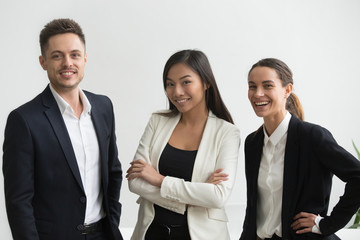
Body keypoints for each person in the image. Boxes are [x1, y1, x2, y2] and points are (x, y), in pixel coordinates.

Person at [2, 18, 123, 240]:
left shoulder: (103, 107)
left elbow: (113, 172)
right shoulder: (24, 121)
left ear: (85, 59)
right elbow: (19, 202)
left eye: (75, 55)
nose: (68, 63)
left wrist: (112, 224)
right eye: (57, 56)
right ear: (43, 61)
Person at [240, 58, 360, 240]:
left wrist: (328, 224)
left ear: (287, 90)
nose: (258, 94)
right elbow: (255, 207)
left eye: (267, 86)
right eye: (252, 86)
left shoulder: (312, 137)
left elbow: (357, 176)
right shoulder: (253, 142)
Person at [126, 49, 240, 240]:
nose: (177, 91)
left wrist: (159, 180)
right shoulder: (157, 121)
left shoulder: (227, 133)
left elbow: (217, 196)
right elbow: (135, 181)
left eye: (186, 82)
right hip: (152, 232)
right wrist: (196, 193)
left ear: (206, 83)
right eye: (170, 84)